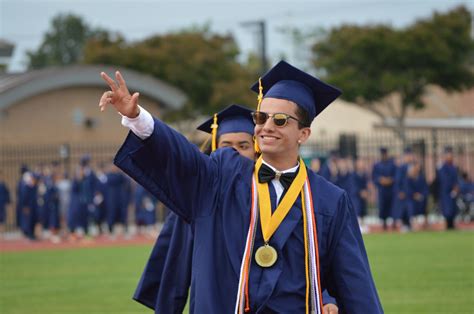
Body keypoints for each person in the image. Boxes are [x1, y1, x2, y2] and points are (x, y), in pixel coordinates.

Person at [100, 60, 382, 313]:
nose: (267, 126)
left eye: (280, 120)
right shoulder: (223, 176)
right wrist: (138, 118)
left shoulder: (329, 201)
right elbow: (183, 157)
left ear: (304, 134)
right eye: (261, 118)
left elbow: (354, 282)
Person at [134, 103, 339, 313]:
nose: (234, 154)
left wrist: (324, 296)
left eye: (243, 146)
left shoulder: (276, 194)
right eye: (226, 147)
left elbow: (295, 255)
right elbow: (177, 259)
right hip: (215, 297)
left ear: (256, 149)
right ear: (215, 149)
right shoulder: (200, 196)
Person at [372, 147, 397, 230]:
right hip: (382, 190)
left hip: (391, 189)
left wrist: (390, 180)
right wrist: (380, 180)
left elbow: (396, 176)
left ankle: (394, 223)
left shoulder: (392, 164)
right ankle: (384, 224)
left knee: (393, 206)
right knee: (383, 206)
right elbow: (374, 177)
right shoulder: (377, 165)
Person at [436, 146, 459, 229]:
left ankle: (452, 225)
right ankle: (448, 225)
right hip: (445, 191)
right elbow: (444, 180)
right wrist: (452, 186)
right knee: (447, 209)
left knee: (453, 209)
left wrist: (456, 186)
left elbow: (456, 179)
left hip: (453, 191)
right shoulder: (442, 167)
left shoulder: (454, 166)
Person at [0, 170, 11, 235]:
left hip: (2, 205)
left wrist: (8, 203)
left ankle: (2, 233)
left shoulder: (3, 185)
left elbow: (7, 195)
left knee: (2, 219)